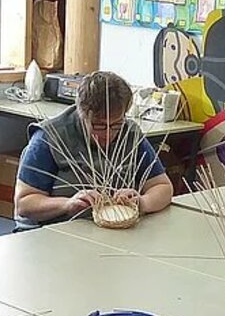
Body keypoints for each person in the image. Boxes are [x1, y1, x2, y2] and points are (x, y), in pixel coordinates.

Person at [14, 71, 174, 227]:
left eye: (116, 125)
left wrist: (142, 202)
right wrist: (67, 204)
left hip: (112, 231)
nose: (108, 133)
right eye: (99, 126)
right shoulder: (49, 138)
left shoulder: (129, 134)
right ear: (82, 114)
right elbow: (24, 203)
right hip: (57, 231)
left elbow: (163, 187)